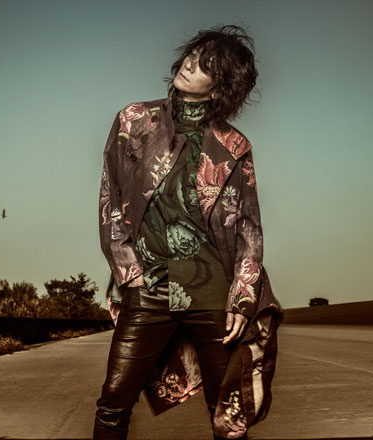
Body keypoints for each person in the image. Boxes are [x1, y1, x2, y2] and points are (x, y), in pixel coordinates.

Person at [94, 24, 284, 440]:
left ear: (220, 88)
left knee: (226, 413)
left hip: (213, 293)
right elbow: (111, 198)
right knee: (113, 403)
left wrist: (243, 297)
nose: (190, 65)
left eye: (205, 66)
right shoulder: (134, 121)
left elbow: (249, 228)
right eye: (193, 55)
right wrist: (127, 269)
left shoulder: (234, 146)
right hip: (148, 287)